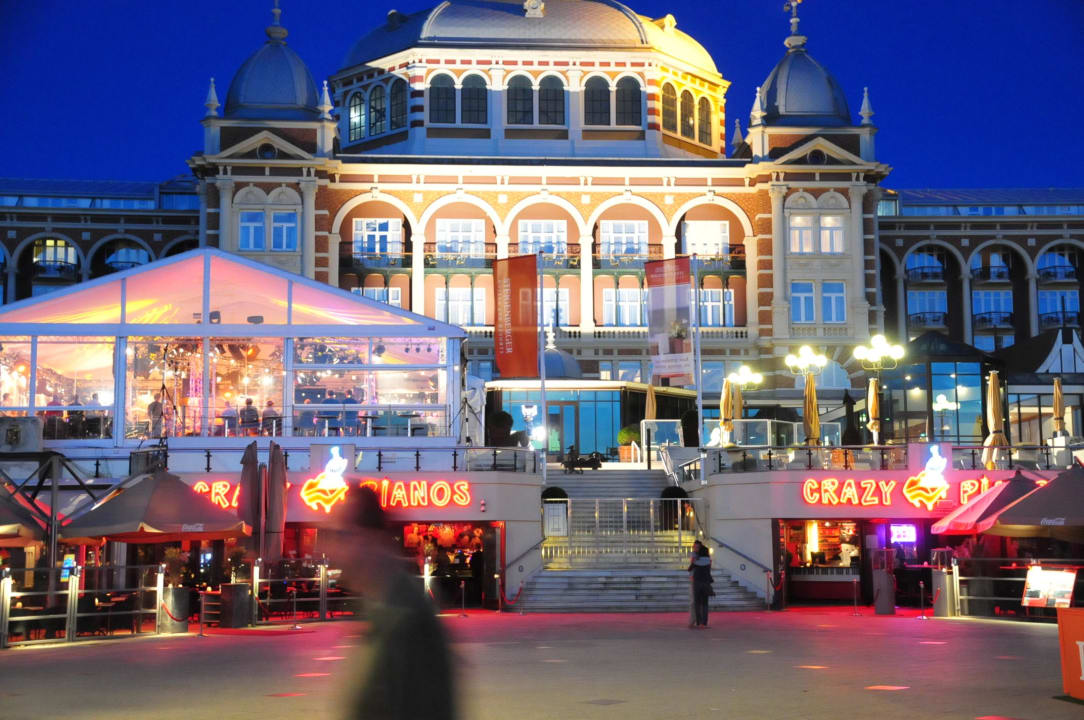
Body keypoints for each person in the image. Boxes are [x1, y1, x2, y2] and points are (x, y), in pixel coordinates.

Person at [328, 487, 456, 719]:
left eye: (342, 536)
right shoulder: (377, 604)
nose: (332, 550)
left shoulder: (406, 613)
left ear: (370, 539)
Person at [689, 544, 713, 628]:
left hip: (697, 583)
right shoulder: (709, 560)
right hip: (705, 582)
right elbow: (709, 569)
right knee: (705, 603)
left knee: (697, 603)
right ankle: (704, 623)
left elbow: (689, 569)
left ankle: (698, 622)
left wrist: (694, 560)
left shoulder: (696, 561)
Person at [687, 540, 703, 628]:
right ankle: (692, 620)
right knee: (693, 601)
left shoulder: (703, 556)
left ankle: (699, 621)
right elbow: (691, 566)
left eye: (697, 547)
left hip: (700, 580)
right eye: (694, 547)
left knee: (699, 601)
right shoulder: (693, 555)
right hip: (693, 580)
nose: (695, 549)